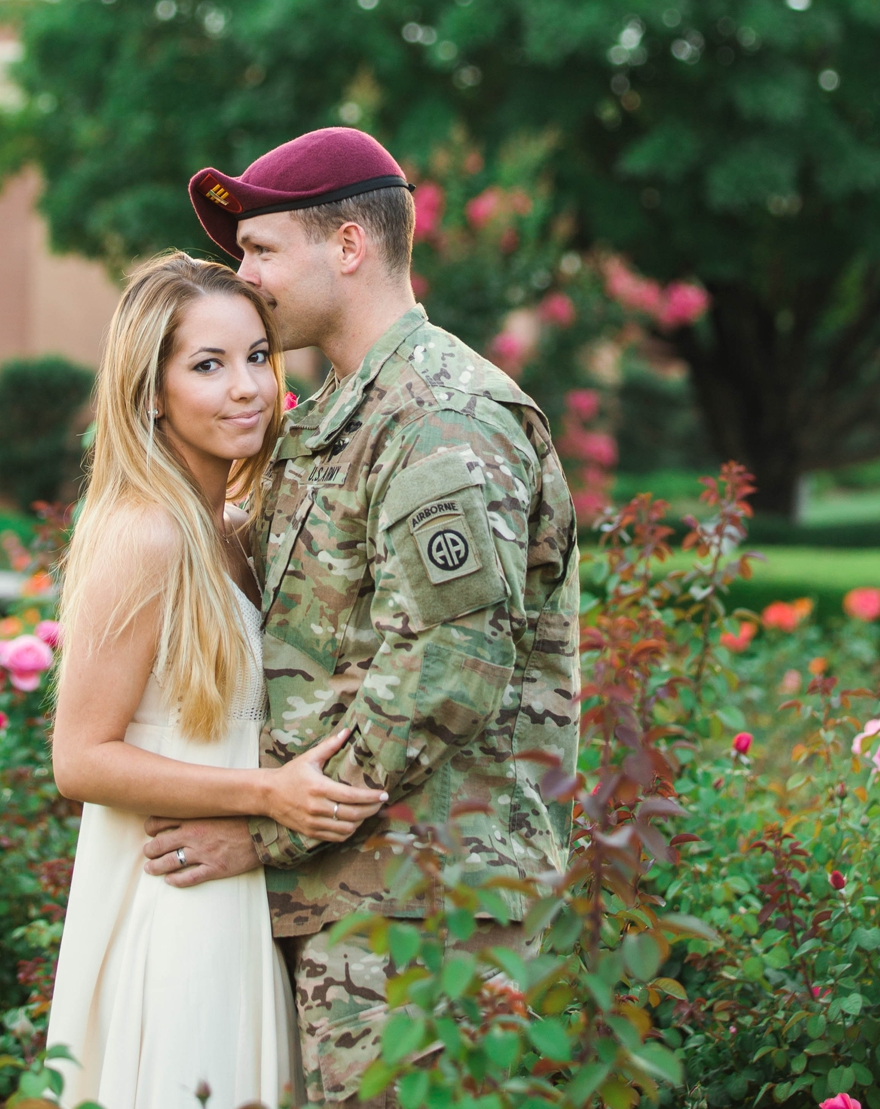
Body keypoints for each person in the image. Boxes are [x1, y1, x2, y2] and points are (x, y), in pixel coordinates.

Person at [141, 127, 582, 1107]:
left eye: (259, 250)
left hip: (430, 913)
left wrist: (262, 830)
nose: (242, 276)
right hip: (360, 906)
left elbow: (442, 672)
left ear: (348, 245)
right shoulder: (335, 415)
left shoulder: (436, 416)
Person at [43, 252, 390, 1109]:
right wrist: (268, 794)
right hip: (178, 907)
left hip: (238, 895)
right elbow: (79, 759)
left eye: (258, 357)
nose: (247, 388)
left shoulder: (231, 525)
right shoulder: (146, 535)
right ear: (152, 390)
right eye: (209, 365)